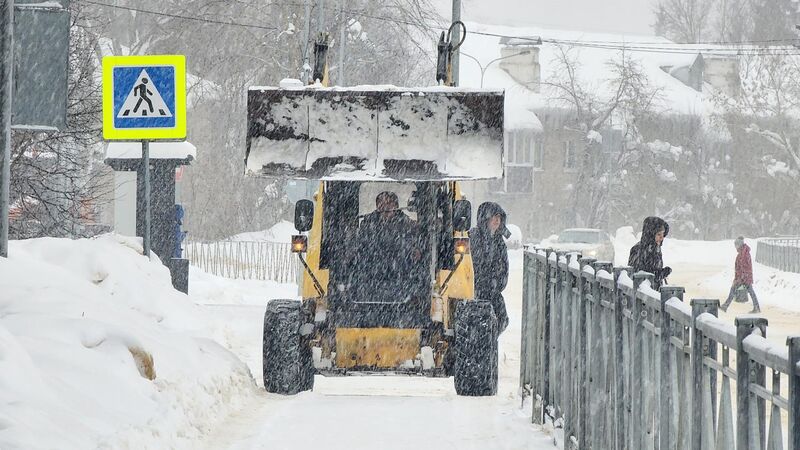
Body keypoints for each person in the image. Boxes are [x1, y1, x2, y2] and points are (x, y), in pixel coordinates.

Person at [356, 192, 419, 293]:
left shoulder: (408, 225)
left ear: (396, 206)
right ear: (377, 207)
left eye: (389, 203)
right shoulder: (367, 224)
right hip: (372, 274)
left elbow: (415, 247)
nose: (386, 207)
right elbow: (361, 247)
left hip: (403, 275)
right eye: (381, 204)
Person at [470, 202, 510, 333]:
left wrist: (498, 284)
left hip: (493, 291)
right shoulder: (473, 237)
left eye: (499, 217)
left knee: (502, 319)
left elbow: (504, 266)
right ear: (485, 218)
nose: (497, 220)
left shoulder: (499, 241)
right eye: (494, 217)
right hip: (476, 292)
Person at [628, 216, 672, 290]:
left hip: (652, 294)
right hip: (643, 296)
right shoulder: (638, 250)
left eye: (663, 234)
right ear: (651, 234)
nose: (662, 238)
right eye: (659, 234)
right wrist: (660, 274)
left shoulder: (655, 249)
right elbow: (639, 276)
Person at [721, 236, 761, 313]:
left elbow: (744, 266)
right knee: (751, 292)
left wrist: (741, 278)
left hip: (744, 277)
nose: (735, 247)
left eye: (736, 245)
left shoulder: (744, 253)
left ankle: (725, 306)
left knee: (733, 290)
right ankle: (756, 307)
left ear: (739, 245)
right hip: (744, 277)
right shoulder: (742, 252)